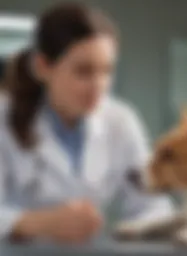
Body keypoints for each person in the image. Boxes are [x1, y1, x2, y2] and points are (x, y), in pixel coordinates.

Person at [0, 2, 174, 244]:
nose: (99, 86)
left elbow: (153, 205)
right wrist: (38, 223)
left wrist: (136, 231)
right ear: (43, 67)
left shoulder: (121, 121)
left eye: (107, 71)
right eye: (83, 71)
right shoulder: (4, 119)